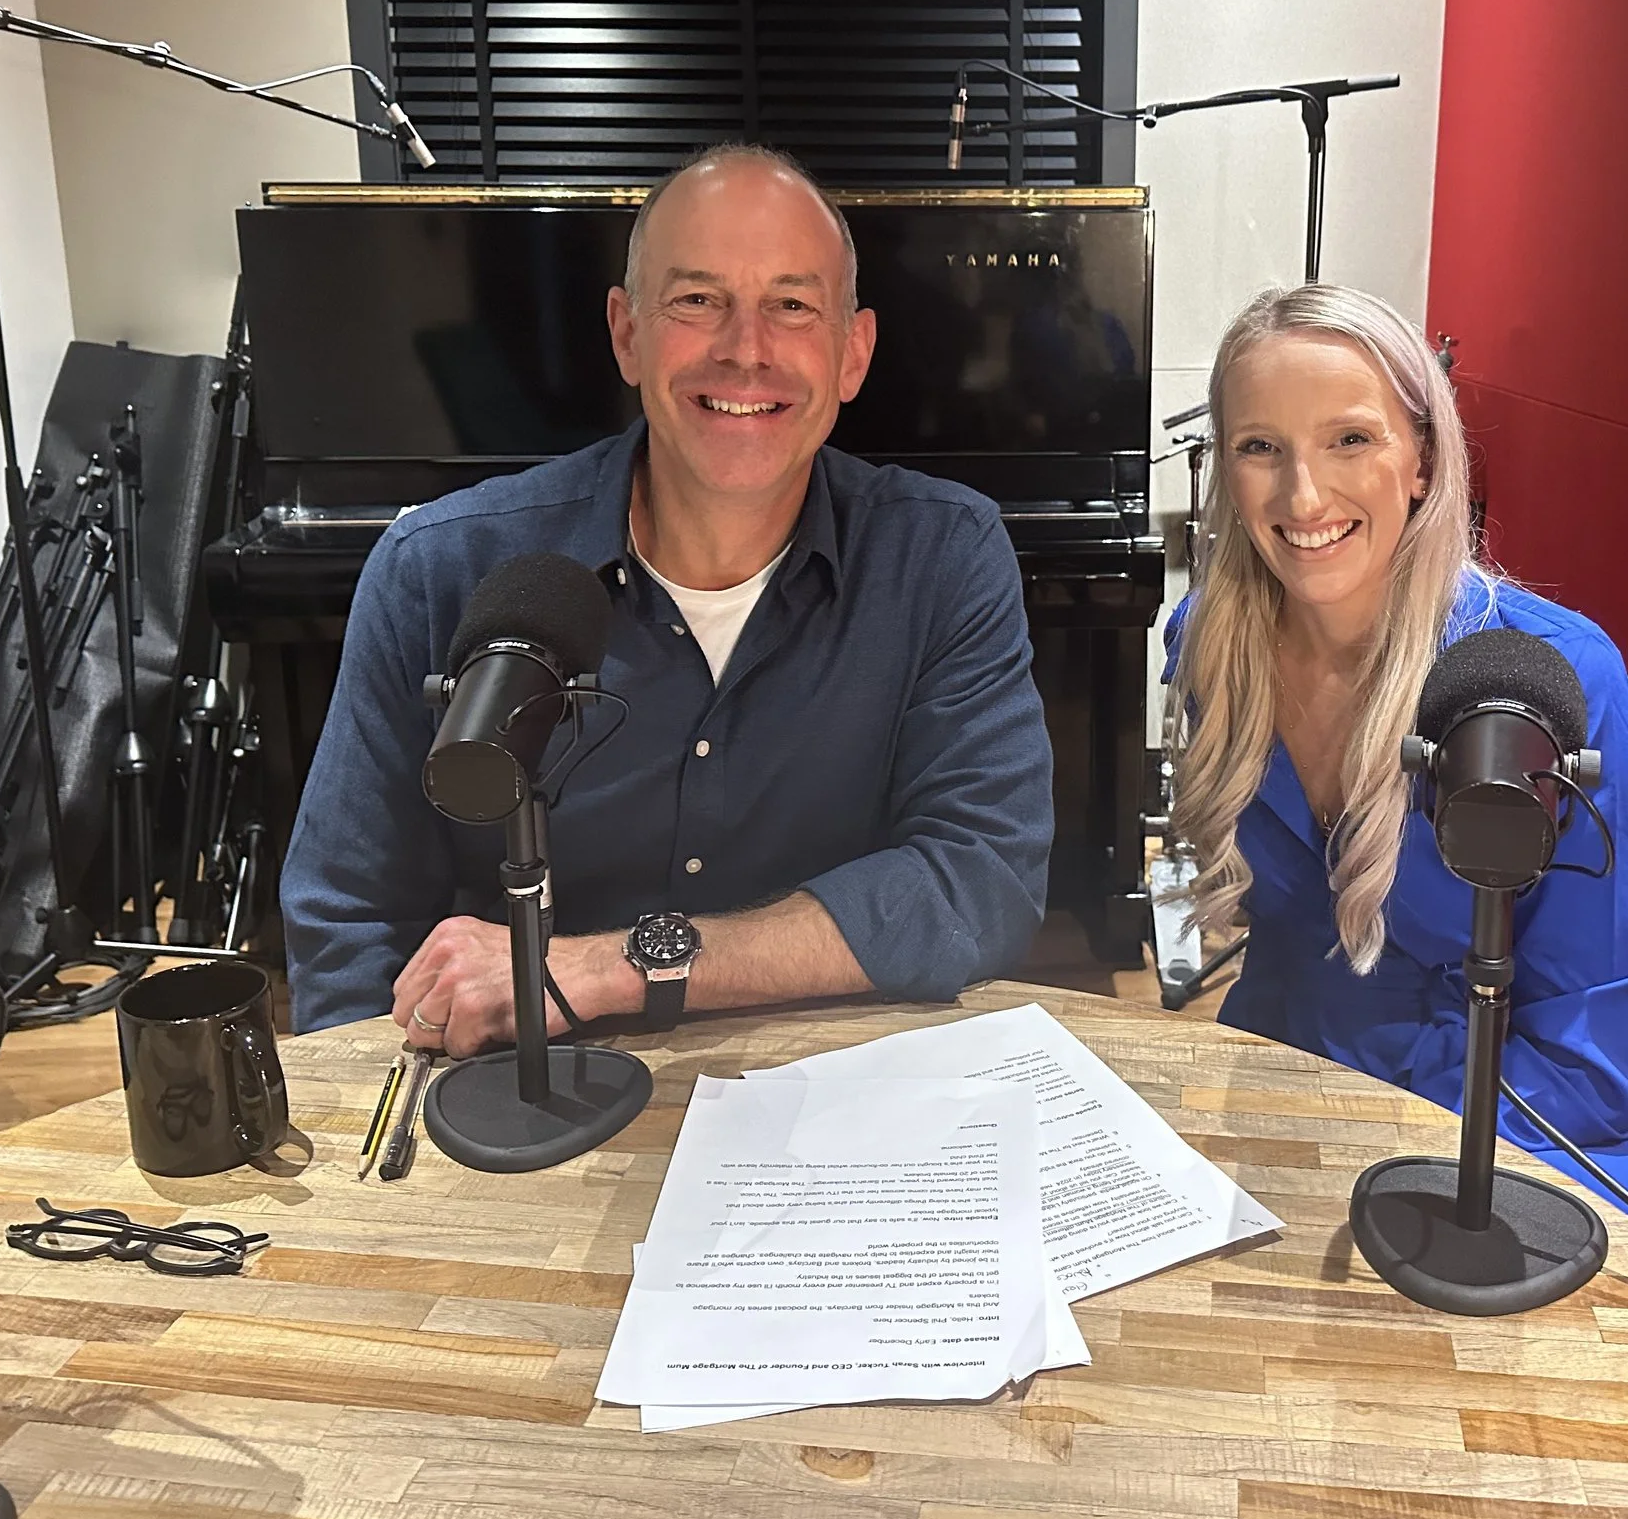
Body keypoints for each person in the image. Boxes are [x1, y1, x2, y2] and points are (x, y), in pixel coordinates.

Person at [279, 144, 1054, 1048]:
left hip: (825, 1094)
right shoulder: (434, 568)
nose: (745, 349)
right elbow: (348, 927)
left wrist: (615, 967)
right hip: (521, 1103)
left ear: (853, 354)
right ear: (626, 334)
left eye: (792, 305)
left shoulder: (944, 556)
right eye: (697, 300)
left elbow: (980, 878)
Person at [1167, 284, 1628, 1267]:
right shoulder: (1207, 648)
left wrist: (1403, 1170)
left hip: (1533, 1102)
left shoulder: (1559, 676)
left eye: (1350, 439)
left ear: (1424, 458)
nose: (1302, 497)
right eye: (1259, 447)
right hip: (1290, 1063)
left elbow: (1586, 1037)